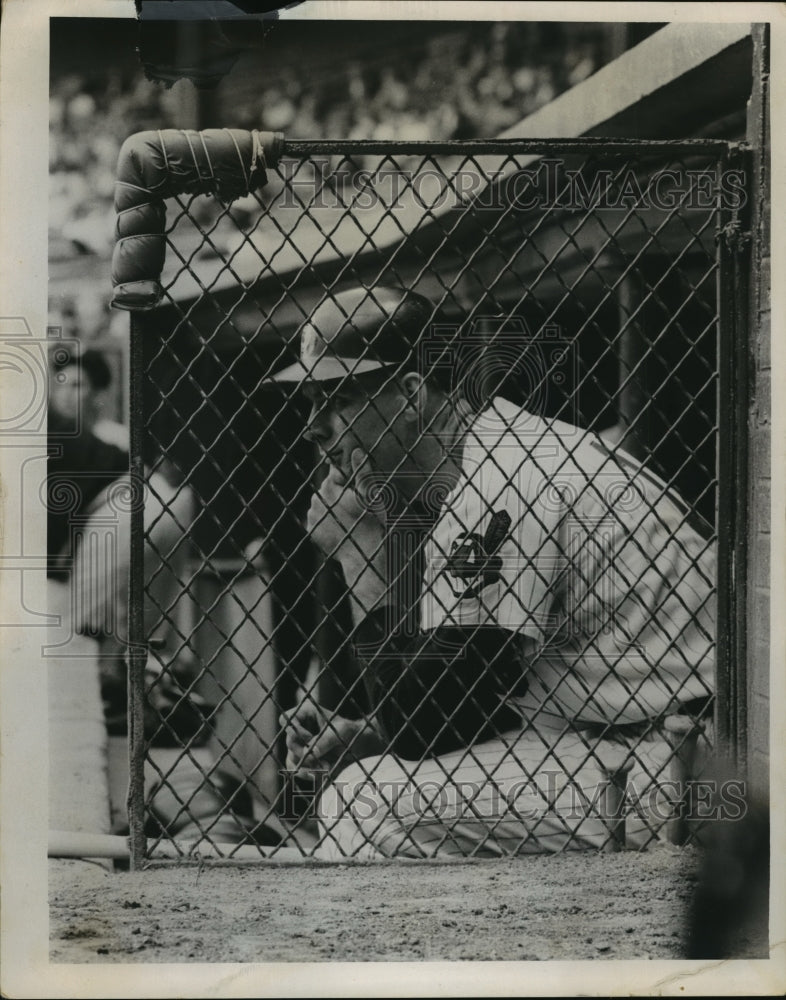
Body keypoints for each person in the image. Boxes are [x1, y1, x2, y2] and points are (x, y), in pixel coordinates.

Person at [275, 285, 715, 858]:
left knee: (362, 799)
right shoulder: (491, 461)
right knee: (378, 776)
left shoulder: (502, 481)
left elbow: (424, 720)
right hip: (620, 740)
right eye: (309, 402)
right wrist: (372, 734)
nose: (315, 426)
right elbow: (468, 696)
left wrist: (360, 550)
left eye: (337, 398)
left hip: (678, 762)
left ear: (411, 396)